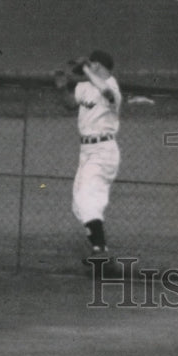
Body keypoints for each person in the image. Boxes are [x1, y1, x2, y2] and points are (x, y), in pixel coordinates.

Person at [54, 50, 123, 266]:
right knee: (79, 204)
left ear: (98, 66)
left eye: (90, 65)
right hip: (86, 151)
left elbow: (108, 95)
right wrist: (62, 87)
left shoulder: (111, 86)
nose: (84, 69)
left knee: (88, 198)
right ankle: (100, 252)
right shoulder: (85, 87)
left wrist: (85, 68)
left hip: (104, 150)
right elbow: (68, 104)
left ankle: (100, 250)